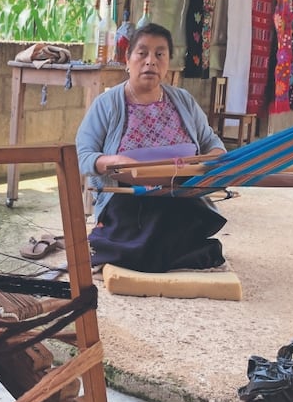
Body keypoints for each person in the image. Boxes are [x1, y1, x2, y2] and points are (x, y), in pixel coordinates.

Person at [75, 23, 229, 273]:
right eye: (142, 53)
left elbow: (212, 143)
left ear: (168, 62)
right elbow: (84, 155)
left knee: (177, 217)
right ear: (127, 59)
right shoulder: (107, 104)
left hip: (180, 196)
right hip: (130, 198)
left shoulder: (183, 100)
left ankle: (157, 249)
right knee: (150, 228)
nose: (151, 61)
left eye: (160, 54)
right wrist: (114, 162)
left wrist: (212, 162)